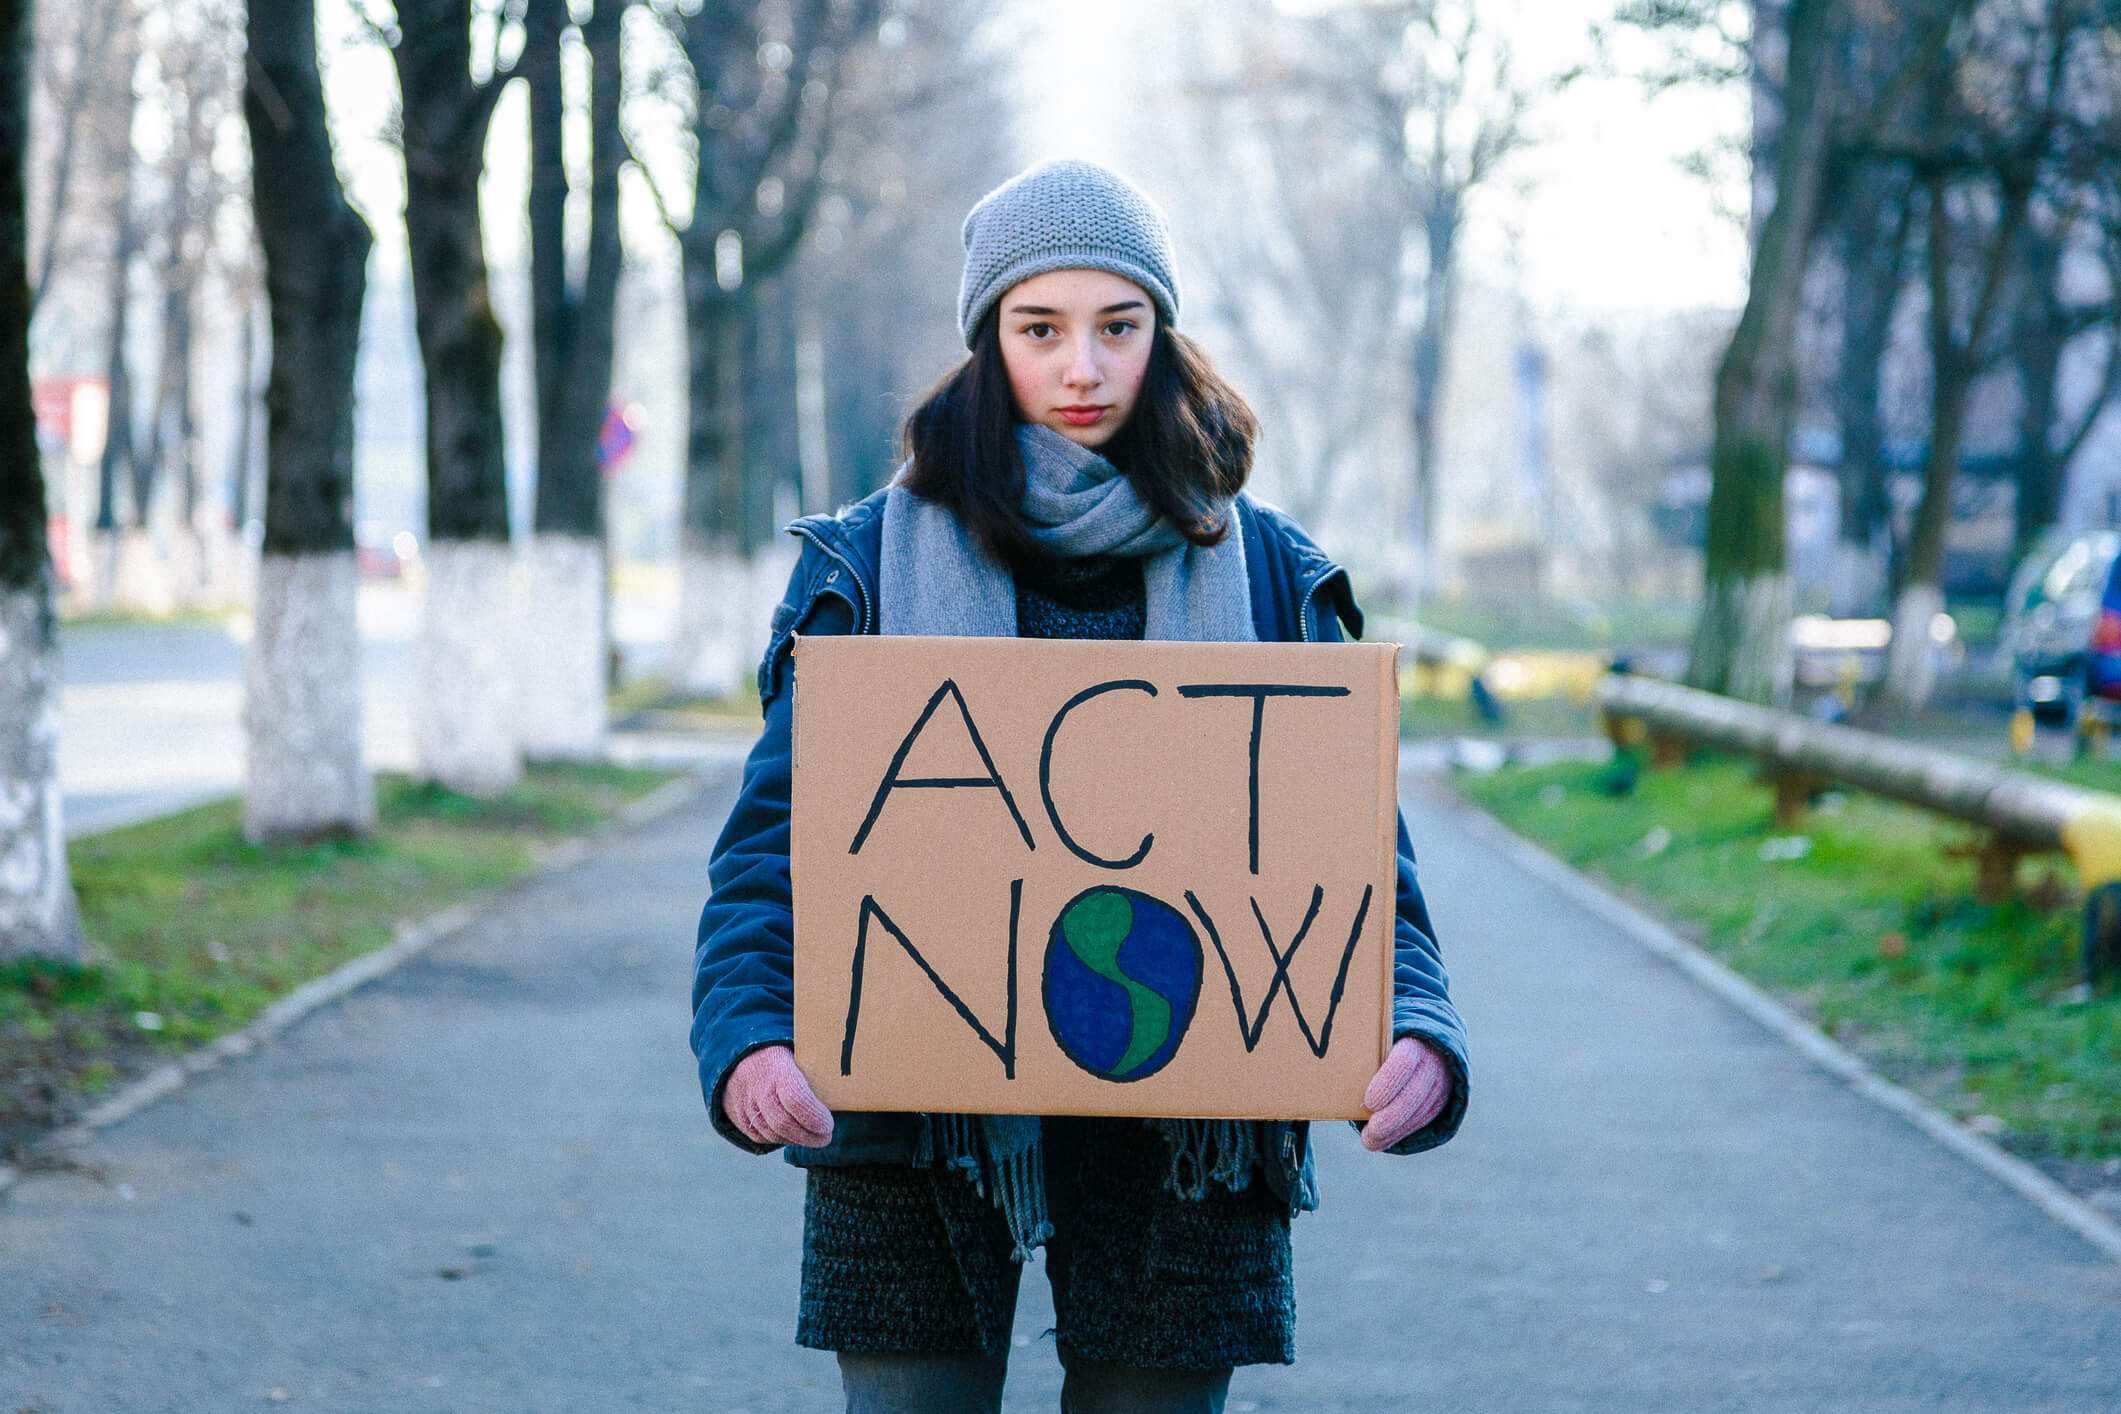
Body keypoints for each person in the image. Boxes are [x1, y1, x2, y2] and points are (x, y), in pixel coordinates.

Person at [692, 158, 1469, 1414]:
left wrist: (1421, 1025)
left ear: (1162, 337)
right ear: (987, 339)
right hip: (914, 1125)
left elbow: (1354, 855)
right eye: (1039, 328)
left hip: (1191, 1140)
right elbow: (769, 848)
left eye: (1119, 327)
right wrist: (745, 1037)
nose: (1082, 369)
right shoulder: (866, 565)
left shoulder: (1270, 571)